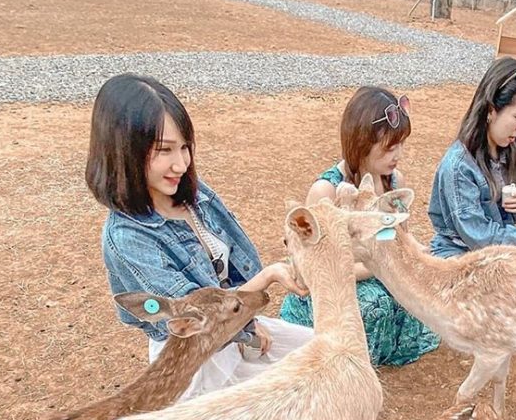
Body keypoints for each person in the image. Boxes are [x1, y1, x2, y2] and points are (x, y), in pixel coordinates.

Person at [88, 73, 311, 397]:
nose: (180, 164)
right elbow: (199, 318)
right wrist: (267, 278)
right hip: (195, 361)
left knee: (321, 356)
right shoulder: (126, 239)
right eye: (163, 150)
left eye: (184, 148)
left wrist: (246, 323)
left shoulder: (195, 194)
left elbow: (231, 278)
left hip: (234, 326)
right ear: (122, 151)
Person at [279, 86, 439, 367]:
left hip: (384, 272)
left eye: (401, 144)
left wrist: (411, 256)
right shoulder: (325, 192)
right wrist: (381, 265)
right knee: (373, 305)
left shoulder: (394, 180)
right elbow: (316, 271)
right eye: (390, 147)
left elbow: (402, 237)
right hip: (340, 288)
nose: (397, 154)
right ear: (361, 142)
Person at [428, 57, 516, 257]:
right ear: (491, 110)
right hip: (460, 255)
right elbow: (478, 236)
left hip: (503, 253)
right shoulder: (459, 166)